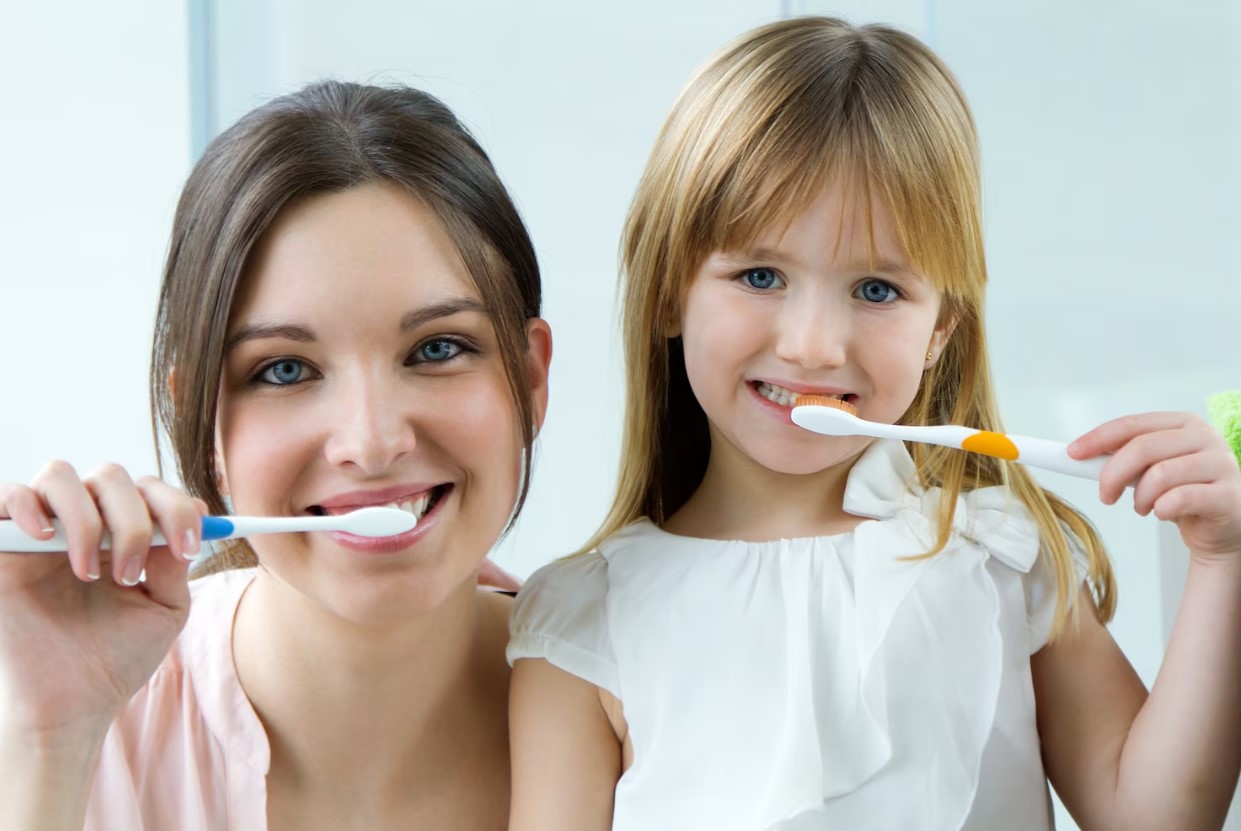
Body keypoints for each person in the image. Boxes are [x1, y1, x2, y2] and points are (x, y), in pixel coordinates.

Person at [506, 17, 1241, 831]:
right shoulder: (583, 623)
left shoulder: (998, 552)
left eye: (877, 290)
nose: (813, 345)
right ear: (668, 290)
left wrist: (1223, 559)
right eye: (759, 274)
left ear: (940, 331)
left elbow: (1158, 818)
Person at [0, 80, 550, 830]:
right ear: (201, 419)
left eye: (437, 348)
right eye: (284, 369)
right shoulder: (82, 729)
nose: (371, 440)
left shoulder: (643, 706)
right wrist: (48, 741)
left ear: (530, 377)